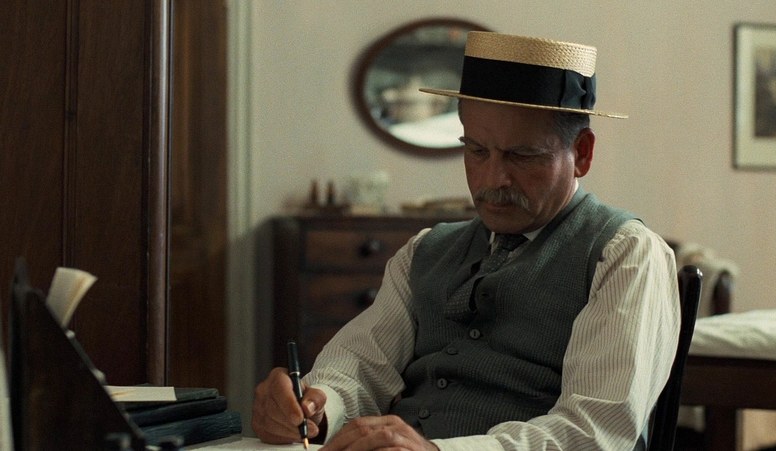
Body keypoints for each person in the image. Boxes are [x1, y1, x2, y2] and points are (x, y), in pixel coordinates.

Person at [253, 31, 679, 450]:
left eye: (521, 155)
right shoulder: (424, 252)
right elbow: (360, 366)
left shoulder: (624, 254)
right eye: (476, 151)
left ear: (582, 153)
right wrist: (315, 408)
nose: (494, 179)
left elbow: (595, 432)